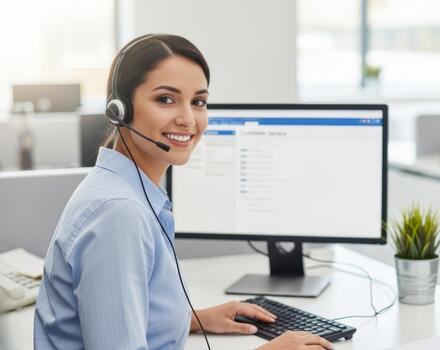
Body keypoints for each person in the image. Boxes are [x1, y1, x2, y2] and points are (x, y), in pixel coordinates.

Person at [33, 34, 333, 350]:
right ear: (119, 110)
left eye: (198, 101)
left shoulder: (123, 190)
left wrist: (192, 319)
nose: (188, 119)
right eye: (165, 99)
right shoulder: (118, 212)